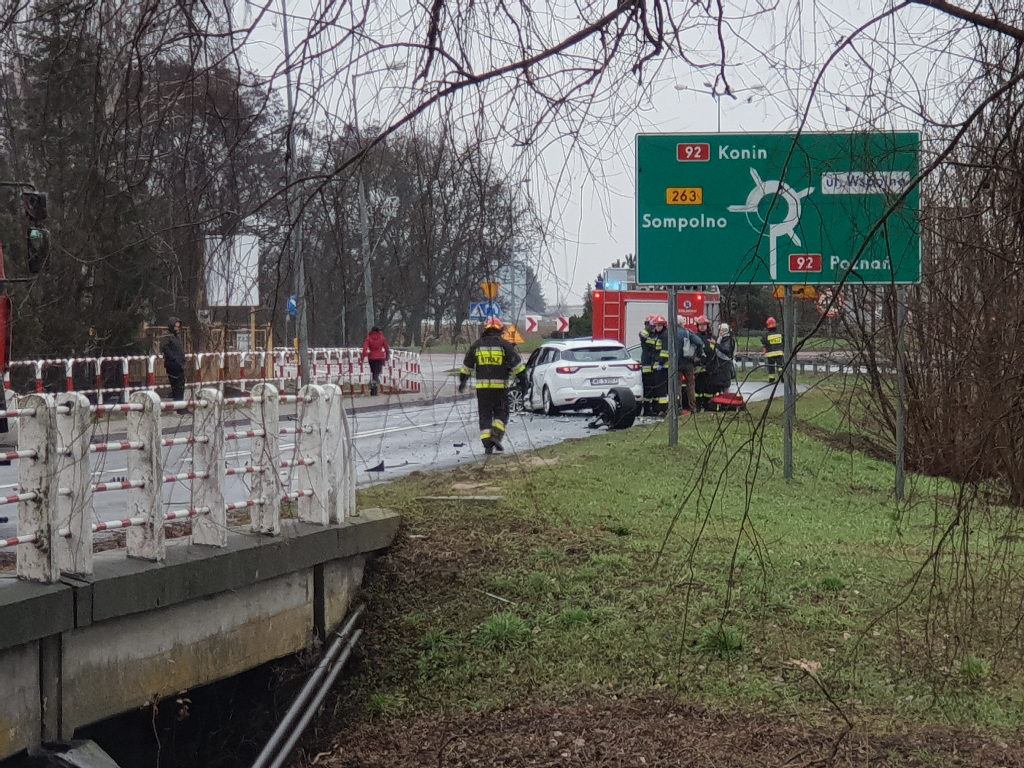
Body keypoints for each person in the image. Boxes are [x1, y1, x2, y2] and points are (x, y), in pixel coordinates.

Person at [458, 318, 527, 455]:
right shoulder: (505, 345)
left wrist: (463, 382)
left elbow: (466, 368)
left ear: (486, 330)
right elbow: (518, 367)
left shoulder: (476, 346)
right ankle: (495, 435)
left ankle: (487, 445)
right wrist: (524, 382)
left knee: (485, 415)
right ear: (500, 331)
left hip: (482, 389)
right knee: (502, 413)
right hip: (500, 389)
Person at [676, 316, 705, 414]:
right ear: (682, 323)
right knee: (691, 385)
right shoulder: (687, 333)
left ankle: (678, 407)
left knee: (677, 386)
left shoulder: (670, 333)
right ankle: (693, 407)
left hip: (675, 364)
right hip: (688, 363)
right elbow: (700, 343)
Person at [160, 316, 187, 412]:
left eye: (178, 326)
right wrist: (174, 359)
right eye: (176, 326)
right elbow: (165, 348)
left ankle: (181, 406)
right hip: (173, 364)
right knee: (176, 386)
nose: (177, 328)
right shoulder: (165, 335)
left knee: (181, 386)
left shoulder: (177, 335)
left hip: (180, 363)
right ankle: (178, 407)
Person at [360, 325, 391, 396]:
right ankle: (375, 384)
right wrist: (387, 357)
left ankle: (374, 390)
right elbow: (387, 348)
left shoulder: (369, 338)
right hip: (380, 357)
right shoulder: (382, 338)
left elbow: (365, 349)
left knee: (374, 373)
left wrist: (362, 358)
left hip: (372, 358)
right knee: (377, 373)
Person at [649, 316, 670, 416]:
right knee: (659, 389)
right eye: (656, 325)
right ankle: (659, 409)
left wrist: (660, 364)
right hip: (659, 366)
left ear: (663, 326)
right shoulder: (658, 335)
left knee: (662, 390)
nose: (657, 327)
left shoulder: (664, 336)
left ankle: (663, 410)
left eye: (659, 325)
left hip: (664, 367)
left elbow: (665, 352)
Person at [708, 322, 737, 395]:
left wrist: (716, 344)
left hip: (725, 365)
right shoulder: (722, 339)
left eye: (721, 330)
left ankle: (725, 401)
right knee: (719, 384)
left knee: (725, 384)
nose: (720, 332)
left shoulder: (728, 339)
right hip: (721, 365)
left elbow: (726, 349)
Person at [761, 316, 784, 383]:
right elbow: (784, 341)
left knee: (771, 366)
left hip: (770, 354)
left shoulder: (767, 334)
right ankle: (782, 376)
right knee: (780, 365)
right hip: (779, 353)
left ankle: (771, 379)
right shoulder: (780, 333)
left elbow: (763, 341)